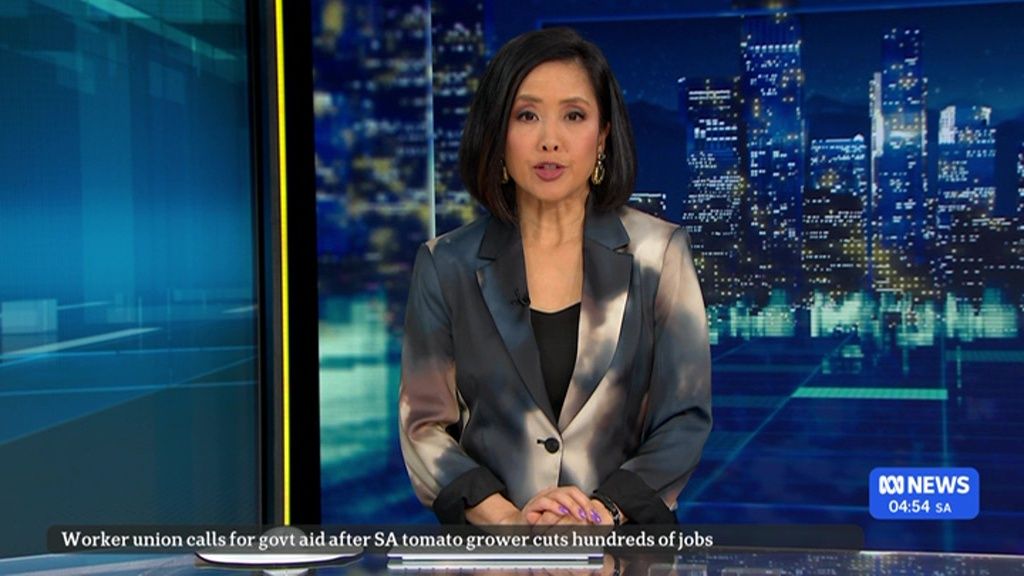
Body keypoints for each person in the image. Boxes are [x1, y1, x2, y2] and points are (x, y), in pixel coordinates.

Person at [399, 27, 711, 527]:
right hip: (494, 550)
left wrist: (599, 512)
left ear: (603, 135)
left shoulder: (659, 253)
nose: (550, 140)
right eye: (527, 115)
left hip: (625, 547)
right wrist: (509, 521)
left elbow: (684, 419)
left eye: (574, 115)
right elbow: (424, 425)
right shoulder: (446, 263)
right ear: (497, 134)